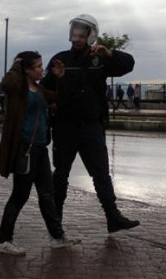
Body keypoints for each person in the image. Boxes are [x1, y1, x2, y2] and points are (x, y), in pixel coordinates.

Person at [41, 14, 140, 236]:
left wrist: (110, 53)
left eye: (81, 35)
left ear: (90, 35)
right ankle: (55, 223)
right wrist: (55, 89)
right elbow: (44, 89)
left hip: (92, 126)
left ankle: (113, 217)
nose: (76, 38)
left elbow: (129, 64)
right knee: (61, 175)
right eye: (73, 34)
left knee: (101, 174)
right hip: (65, 126)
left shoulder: (101, 60)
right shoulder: (60, 60)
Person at [0, 51, 80, 255]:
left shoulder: (38, 88)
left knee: (47, 194)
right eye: (38, 66)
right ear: (26, 69)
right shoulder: (19, 88)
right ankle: (4, 239)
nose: (42, 69)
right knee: (20, 195)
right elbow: (7, 83)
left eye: (42, 66)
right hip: (26, 149)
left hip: (40, 149)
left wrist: (60, 78)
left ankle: (57, 237)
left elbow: (60, 98)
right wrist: (16, 65)